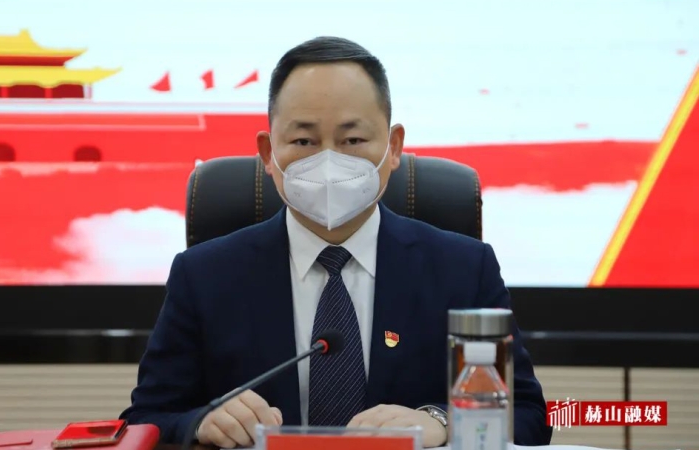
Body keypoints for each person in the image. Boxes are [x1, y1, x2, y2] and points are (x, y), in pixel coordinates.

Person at [120, 36, 552, 448]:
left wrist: (441, 422)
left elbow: (529, 416)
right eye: (304, 141)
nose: (328, 160)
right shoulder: (204, 275)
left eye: (353, 140)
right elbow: (145, 419)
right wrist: (201, 423)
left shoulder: (464, 270)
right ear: (269, 153)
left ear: (393, 147)